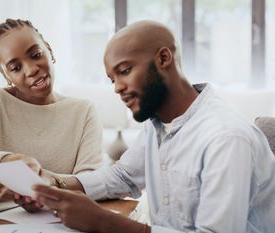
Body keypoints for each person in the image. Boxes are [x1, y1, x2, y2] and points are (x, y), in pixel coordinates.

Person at [31, 20, 275, 233]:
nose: (117, 87)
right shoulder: (158, 122)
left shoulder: (226, 138)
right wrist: (54, 184)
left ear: (163, 58)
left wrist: (104, 222)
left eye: (124, 71)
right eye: (112, 79)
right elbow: (123, 175)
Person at [0, 18, 102, 206]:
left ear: (49, 50)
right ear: (6, 75)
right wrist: (12, 162)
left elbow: (90, 182)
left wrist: (25, 182)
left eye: (36, 55)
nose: (31, 70)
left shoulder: (84, 111)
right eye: (15, 68)